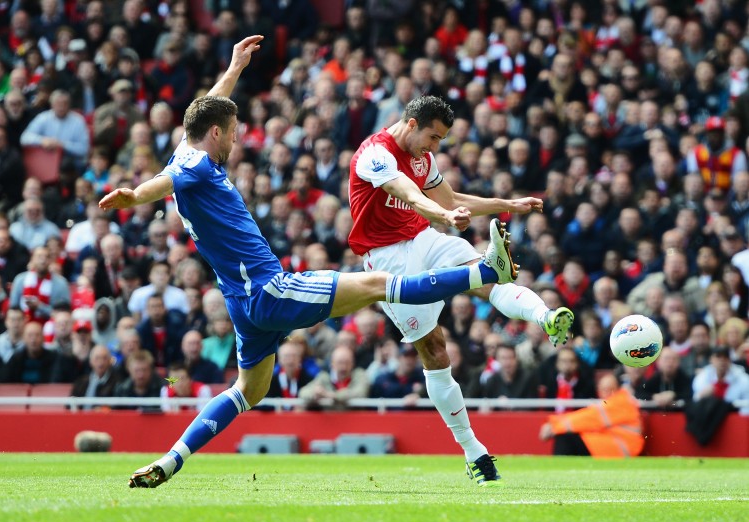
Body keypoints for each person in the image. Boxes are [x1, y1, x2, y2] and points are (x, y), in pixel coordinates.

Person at [99, 36, 517, 489]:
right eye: (234, 133)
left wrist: (236, 67)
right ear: (217, 134)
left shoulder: (189, 144)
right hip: (269, 289)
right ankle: (483, 271)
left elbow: (209, 109)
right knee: (379, 284)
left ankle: (171, 460)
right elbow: (166, 181)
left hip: (241, 305)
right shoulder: (195, 165)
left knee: (247, 391)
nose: (237, 140)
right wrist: (135, 196)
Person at [347, 94, 574, 485]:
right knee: (434, 351)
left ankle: (546, 316)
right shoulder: (374, 154)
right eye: (434, 137)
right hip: (385, 260)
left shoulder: (425, 157)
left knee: (490, 275)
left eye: (441, 140)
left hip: (424, 238)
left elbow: (450, 199)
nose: (436, 148)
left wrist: (508, 205)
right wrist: (446, 215)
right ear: (413, 123)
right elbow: (410, 194)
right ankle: (474, 452)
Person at [538, 373, 645, 457]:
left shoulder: (619, 401)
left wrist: (554, 426)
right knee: (569, 435)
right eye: (603, 389)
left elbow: (588, 418)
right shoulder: (618, 401)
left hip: (620, 448)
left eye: (610, 389)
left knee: (565, 436)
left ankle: (558, 473)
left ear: (617, 388)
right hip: (615, 443)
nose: (606, 392)